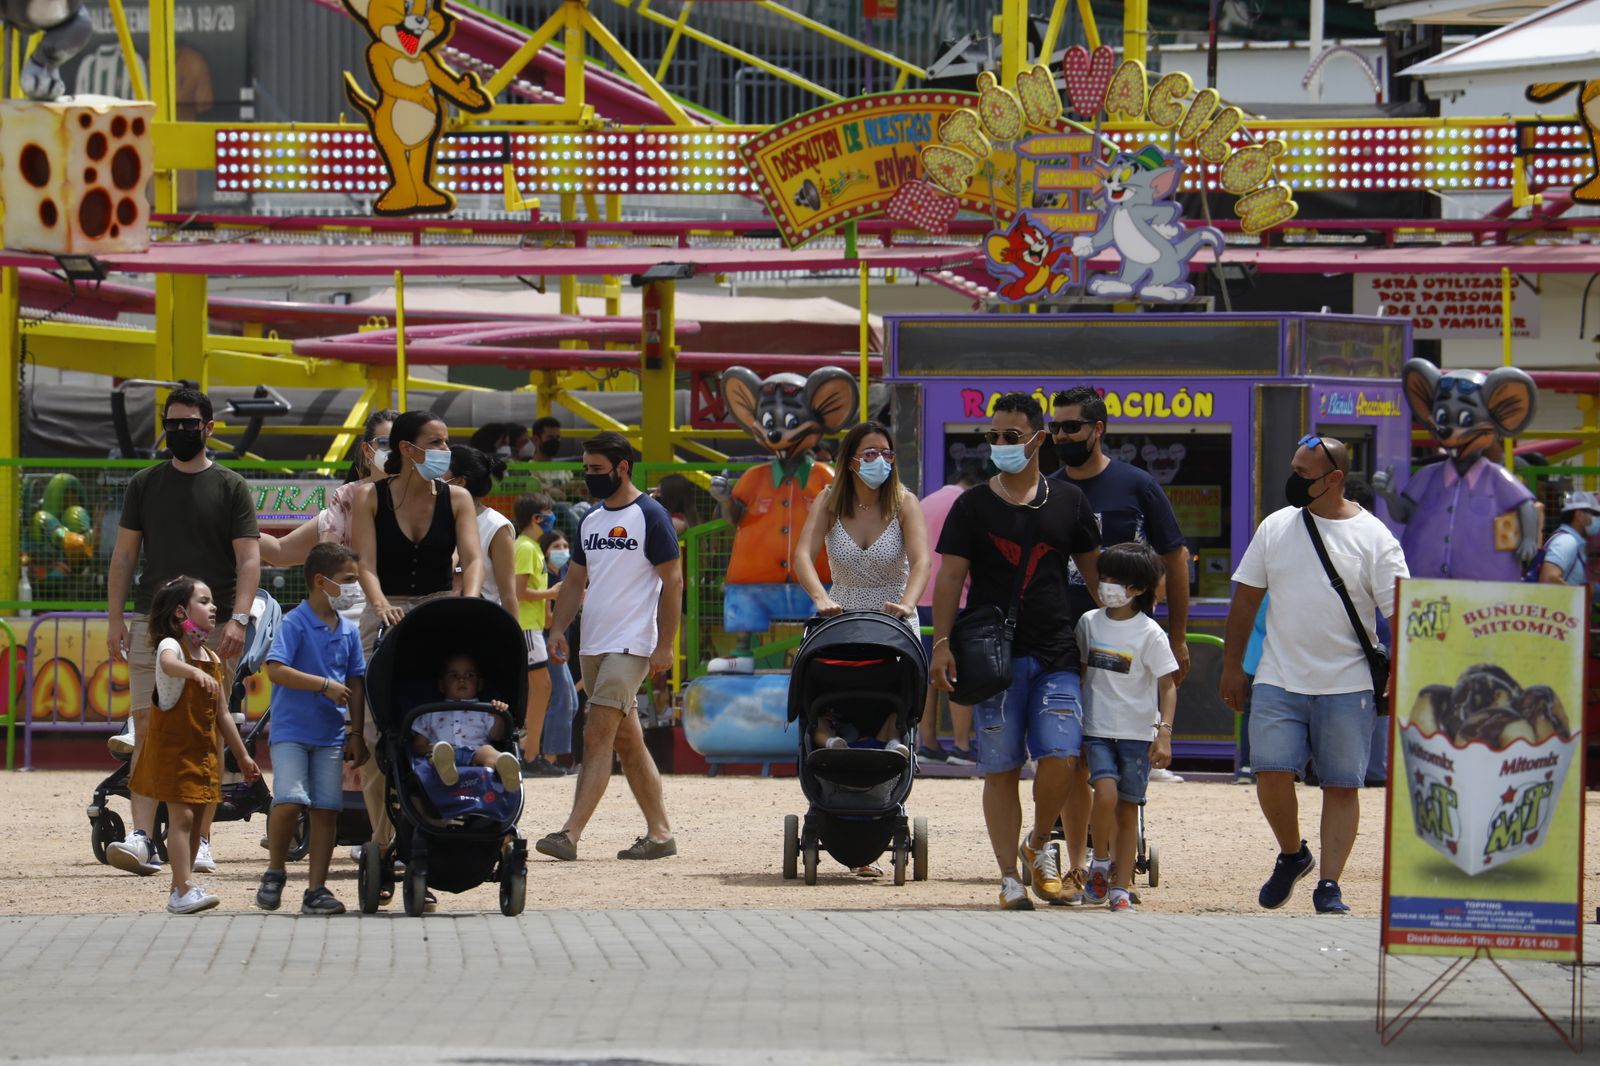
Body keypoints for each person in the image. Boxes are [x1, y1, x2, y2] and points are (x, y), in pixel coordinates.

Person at [1220, 435, 1407, 915]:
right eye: (1294, 468)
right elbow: (1245, 600)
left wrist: (1400, 675)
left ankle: (1329, 885)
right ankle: (1292, 853)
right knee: (1270, 772)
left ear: (1335, 478)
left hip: (1348, 684)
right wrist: (1233, 667)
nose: (1293, 479)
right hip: (1278, 676)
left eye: (1304, 474)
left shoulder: (1375, 537)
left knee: (1342, 785)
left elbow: (1401, 613)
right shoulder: (1276, 527)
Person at [929, 393, 1102, 910]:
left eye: (1010, 436)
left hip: (1057, 651)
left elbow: (1096, 577)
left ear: (1038, 439)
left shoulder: (1070, 501)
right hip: (992, 656)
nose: (1000, 445)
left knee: (1064, 758)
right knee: (1000, 768)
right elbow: (950, 579)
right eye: (993, 436)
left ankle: (1036, 841)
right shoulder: (972, 505)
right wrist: (941, 644)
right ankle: (1009, 876)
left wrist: (1126, 636)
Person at [105, 387, 261, 879]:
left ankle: (202, 840)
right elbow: (125, 555)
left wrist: (238, 617)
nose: (179, 431)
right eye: (171, 423)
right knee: (146, 728)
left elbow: (249, 558)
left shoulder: (232, 486)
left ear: (209, 428)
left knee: (204, 732)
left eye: (189, 423)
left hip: (212, 626)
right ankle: (140, 836)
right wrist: (114, 618)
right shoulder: (144, 484)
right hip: (153, 621)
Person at [1049, 386, 1191, 889]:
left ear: (1097, 429)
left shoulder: (1136, 485)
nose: (1061, 436)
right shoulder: (1049, 489)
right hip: (1067, 640)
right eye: (1056, 427)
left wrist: (1177, 634)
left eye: (1071, 427)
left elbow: (1174, 558)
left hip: (1130, 642)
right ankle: (1078, 862)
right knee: (1074, 756)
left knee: (1120, 751)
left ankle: (1114, 860)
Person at [350, 410, 482, 889]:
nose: (446, 451)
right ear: (408, 449)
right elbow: (364, 563)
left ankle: (445, 825)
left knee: (439, 715)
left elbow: (471, 559)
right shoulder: (371, 497)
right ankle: (385, 845)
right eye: (437, 442)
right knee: (373, 735)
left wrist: (468, 604)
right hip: (385, 612)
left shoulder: (458, 499)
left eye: (447, 442)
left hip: (438, 611)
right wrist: (382, 603)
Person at [535, 432, 682, 862]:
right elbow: (575, 579)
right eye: (586, 470)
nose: (589, 477)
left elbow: (672, 581)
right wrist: (558, 628)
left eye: (596, 470)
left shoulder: (650, 515)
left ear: (622, 468)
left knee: (596, 732)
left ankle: (569, 833)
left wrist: (665, 645)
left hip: (631, 643)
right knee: (627, 742)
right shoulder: (592, 520)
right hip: (594, 643)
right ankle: (660, 834)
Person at [127, 576, 260, 913]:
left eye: (213, 600)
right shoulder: (170, 647)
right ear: (180, 612)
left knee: (197, 819)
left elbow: (223, 716)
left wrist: (242, 756)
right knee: (182, 820)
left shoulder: (213, 658)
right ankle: (185, 888)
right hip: (174, 752)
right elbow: (169, 664)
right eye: (204, 601)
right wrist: (192, 672)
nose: (213, 607)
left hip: (203, 756)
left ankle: (178, 890)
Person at [255, 544, 368, 916]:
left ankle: (316, 889)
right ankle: (275, 869)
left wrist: (356, 733)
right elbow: (276, 669)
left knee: (326, 810)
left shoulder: (349, 631)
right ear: (322, 582)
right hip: (291, 732)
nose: (355, 588)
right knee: (288, 800)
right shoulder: (295, 622)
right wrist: (323, 684)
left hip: (331, 735)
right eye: (349, 580)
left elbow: (356, 679)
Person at [1076, 543, 1179, 913]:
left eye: (1115, 580)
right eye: (1104, 578)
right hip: (1097, 730)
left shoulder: (1150, 633)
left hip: (1137, 735)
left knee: (1127, 808)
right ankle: (1100, 861)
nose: (1106, 586)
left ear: (1137, 588)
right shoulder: (1089, 622)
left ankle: (1120, 887)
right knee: (1104, 795)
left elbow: (1168, 685)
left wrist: (1163, 732)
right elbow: (1083, 673)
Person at [792, 420, 931, 626]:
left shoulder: (905, 503)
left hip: (894, 620)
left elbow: (922, 562)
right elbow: (802, 556)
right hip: (841, 618)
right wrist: (821, 598)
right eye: (870, 454)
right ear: (850, 461)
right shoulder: (829, 501)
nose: (880, 460)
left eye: (886, 454)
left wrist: (907, 605)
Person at [259, 409, 398, 570]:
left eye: (400, 443)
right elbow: (280, 552)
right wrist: (235, 529)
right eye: (384, 443)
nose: (393, 451)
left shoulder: (426, 495)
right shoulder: (345, 503)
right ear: (367, 450)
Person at [915, 464, 984, 765]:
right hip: (954, 598)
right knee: (958, 671)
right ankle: (961, 747)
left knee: (928, 672)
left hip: (919, 596)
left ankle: (926, 743)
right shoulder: (969, 503)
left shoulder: (925, 501)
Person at [412, 653, 521, 791]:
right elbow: (418, 746)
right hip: (444, 754)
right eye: (453, 675)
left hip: (475, 754)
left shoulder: (486, 709)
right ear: (441, 685)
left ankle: (504, 770)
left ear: (480, 684)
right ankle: (445, 771)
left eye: (469, 675)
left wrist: (499, 717)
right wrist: (434, 749)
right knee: (434, 757)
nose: (462, 680)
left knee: (488, 751)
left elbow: (497, 736)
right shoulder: (429, 713)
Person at [514, 494, 563, 776]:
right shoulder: (526, 548)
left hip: (531, 626)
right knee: (542, 687)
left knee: (541, 688)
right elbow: (520, 591)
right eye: (548, 513)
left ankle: (531, 752)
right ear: (537, 517)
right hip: (525, 626)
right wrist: (552, 593)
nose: (551, 517)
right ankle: (530, 754)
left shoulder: (530, 547)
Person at [448, 445, 515, 617]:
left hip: (479, 624)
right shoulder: (431, 517)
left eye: (441, 469)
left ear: (460, 481)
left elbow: (508, 595)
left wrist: (514, 640)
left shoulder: (496, 526)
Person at [537, 527, 579, 772]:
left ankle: (541, 752)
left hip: (558, 642)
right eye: (556, 547)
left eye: (565, 546)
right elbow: (547, 621)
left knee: (570, 700)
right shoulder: (547, 580)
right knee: (563, 697)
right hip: (544, 639)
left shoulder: (565, 576)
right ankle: (547, 758)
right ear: (545, 552)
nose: (562, 551)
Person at [1537, 490, 1600, 587]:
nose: (1597, 519)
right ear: (1579, 515)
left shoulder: (1575, 542)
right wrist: (1577, 596)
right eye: (1595, 514)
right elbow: (1548, 579)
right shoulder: (1566, 541)